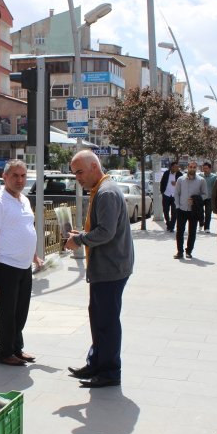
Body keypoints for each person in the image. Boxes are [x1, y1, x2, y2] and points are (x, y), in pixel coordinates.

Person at [63, 151, 134, 388]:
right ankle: (96, 363)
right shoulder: (102, 189)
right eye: (75, 174)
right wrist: (81, 235)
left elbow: (106, 232)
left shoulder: (106, 192)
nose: (78, 179)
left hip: (110, 267)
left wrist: (80, 240)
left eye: (80, 172)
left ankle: (110, 371)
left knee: (106, 321)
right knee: (98, 317)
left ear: (94, 166)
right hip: (106, 266)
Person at [0, 160, 45, 366]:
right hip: (5, 264)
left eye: (23, 176)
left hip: (24, 264)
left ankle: (17, 349)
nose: (20, 180)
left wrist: (34, 255)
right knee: (7, 313)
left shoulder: (24, 200)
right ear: (5, 178)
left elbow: (27, 230)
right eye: (15, 176)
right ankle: (4, 352)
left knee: (21, 311)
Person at [173, 161, 208, 259]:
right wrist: (177, 206)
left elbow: (205, 194)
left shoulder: (201, 180)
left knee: (192, 232)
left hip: (194, 210)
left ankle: (189, 251)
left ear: (196, 168)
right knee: (180, 231)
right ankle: (179, 251)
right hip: (182, 209)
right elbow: (176, 193)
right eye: (190, 167)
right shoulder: (181, 180)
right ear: (187, 167)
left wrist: (196, 200)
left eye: (194, 167)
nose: (192, 169)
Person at [160, 163, 182, 232]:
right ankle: (168, 223)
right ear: (172, 167)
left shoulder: (180, 175)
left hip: (175, 195)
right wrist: (162, 191)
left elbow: (183, 184)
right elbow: (162, 182)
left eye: (178, 167)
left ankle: (172, 226)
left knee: (174, 212)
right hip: (166, 194)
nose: (177, 168)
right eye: (176, 167)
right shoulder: (166, 173)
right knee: (165, 211)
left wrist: (176, 183)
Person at [200, 162, 217, 233]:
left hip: (209, 197)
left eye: (206, 168)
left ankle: (207, 227)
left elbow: (216, 187)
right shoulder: (199, 176)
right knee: (200, 212)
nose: (205, 170)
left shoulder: (214, 177)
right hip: (200, 197)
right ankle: (201, 223)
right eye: (204, 168)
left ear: (210, 169)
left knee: (208, 213)